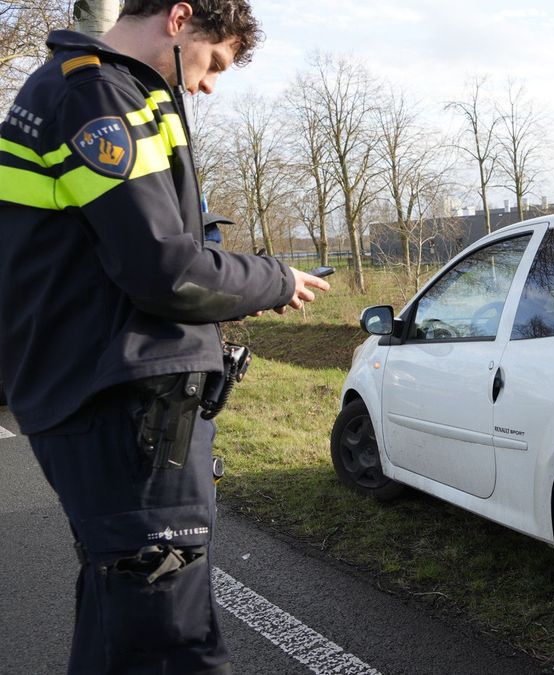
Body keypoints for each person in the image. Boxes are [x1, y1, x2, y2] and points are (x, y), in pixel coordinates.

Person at [0, 1, 329, 672]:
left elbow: (118, 260)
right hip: (123, 406)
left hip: (99, 391)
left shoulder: (92, 89)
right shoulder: (98, 95)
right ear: (180, 17)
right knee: (169, 640)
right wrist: (273, 279)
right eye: (215, 63)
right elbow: (165, 270)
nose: (207, 85)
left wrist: (225, 286)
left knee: (120, 619)